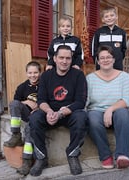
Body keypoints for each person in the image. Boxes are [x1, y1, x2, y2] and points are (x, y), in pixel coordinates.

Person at [29, 45, 88, 176]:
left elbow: (80, 102)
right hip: (49, 112)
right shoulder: (46, 76)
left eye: (68, 58)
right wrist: (49, 112)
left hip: (69, 112)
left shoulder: (78, 75)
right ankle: (41, 158)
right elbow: (41, 100)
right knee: (34, 118)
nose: (64, 61)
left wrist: (61, 112)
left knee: (82, 118)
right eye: (61, 57)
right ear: (54, 58)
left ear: (72, 60)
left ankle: (73, 155)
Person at [86, 45, 129, 169]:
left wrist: (110, 109)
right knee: (92, 118)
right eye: (102, 58)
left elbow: (126, 100)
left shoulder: (124, 77)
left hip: (118, 111)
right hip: (96, 110)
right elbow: (87, 100)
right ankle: (106, 156)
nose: (105, 60)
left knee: (123, 113)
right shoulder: (90, 79)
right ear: (98, 61)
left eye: (108, 57)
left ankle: (122, 155)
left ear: (113, 59)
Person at [3, 61, 41, 175]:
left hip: (38, 116)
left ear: (40, 73)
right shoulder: (22, 87)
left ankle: (26, 161)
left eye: (35, 72)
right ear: (26, 73)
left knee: (29, 129)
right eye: (30, 72)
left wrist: (39, 106)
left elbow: (49, 101)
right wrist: (28, 102)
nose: (33, 75)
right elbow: (16, 103)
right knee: (14, 104)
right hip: (26, 114)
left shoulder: (44, 85)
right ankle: (16, 135)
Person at [91, 6, 126, 71]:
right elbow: (94, 49)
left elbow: (123, 49)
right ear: (103, 19)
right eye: (106, 16)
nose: (109, 18)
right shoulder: (98, 32)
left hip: (117, 66)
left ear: (116, 17)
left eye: (112, 15)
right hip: (102, 66)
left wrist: (119, 58)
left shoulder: (121, 32)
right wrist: (97, 61)